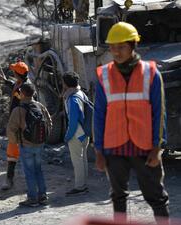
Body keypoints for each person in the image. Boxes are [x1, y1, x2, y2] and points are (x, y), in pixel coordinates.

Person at [94, 22, 169, 223]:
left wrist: (157, 147)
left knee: (156, 197)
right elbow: (99, 115)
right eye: (112, 47)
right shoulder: (104, 76)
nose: (116, 52)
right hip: (114, 147)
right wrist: (99, 150)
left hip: (144, 147)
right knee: (118, 196)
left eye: (121, 47)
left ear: (132, 46)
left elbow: (159, 112)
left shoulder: (151, 73)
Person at [6, 83, 52, 207]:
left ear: (22, 94)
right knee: (38, 170)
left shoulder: (18, 110)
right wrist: (44, 138)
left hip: (26, 145)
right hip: (39, 144)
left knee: (29, 172)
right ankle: (43, 196)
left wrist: (15, 142)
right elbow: (49, 123)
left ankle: (32, 199)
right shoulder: (40, 106)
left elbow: (11, 129)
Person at [0, 60, 32, 190]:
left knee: (14, 152)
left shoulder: (22, 89)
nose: (12, 72)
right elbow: (15, 86)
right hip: (18, 122)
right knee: (14, 151)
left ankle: (10, 180)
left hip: (19, 123)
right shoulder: (22, 85)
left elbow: (18, 94)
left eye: (14, 71)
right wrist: (6, 80)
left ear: (18, 74)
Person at [62, 72, 90, 195]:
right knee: (83, 159)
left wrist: (67, 136)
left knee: (77, 160)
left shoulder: (72, 99)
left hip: (76, 134)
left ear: (66, 84)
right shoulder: (81, 94)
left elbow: (73, 122)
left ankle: (80, 187)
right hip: (85, 133)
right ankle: (83, 184)